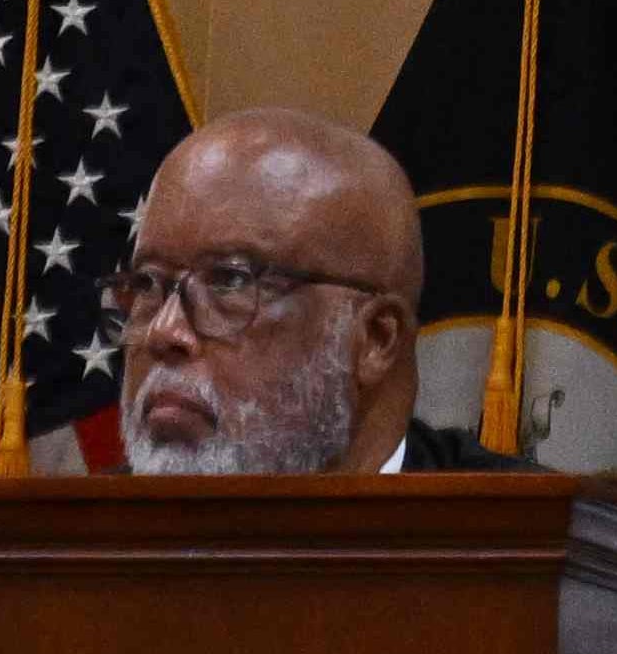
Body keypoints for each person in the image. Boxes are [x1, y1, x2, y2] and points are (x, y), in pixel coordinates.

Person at [110, 110, 529, 475]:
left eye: (230, 281)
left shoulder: (549, 548)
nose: (163, 332)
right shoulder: (65, 545)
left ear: (377, 340)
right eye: (146, 283)